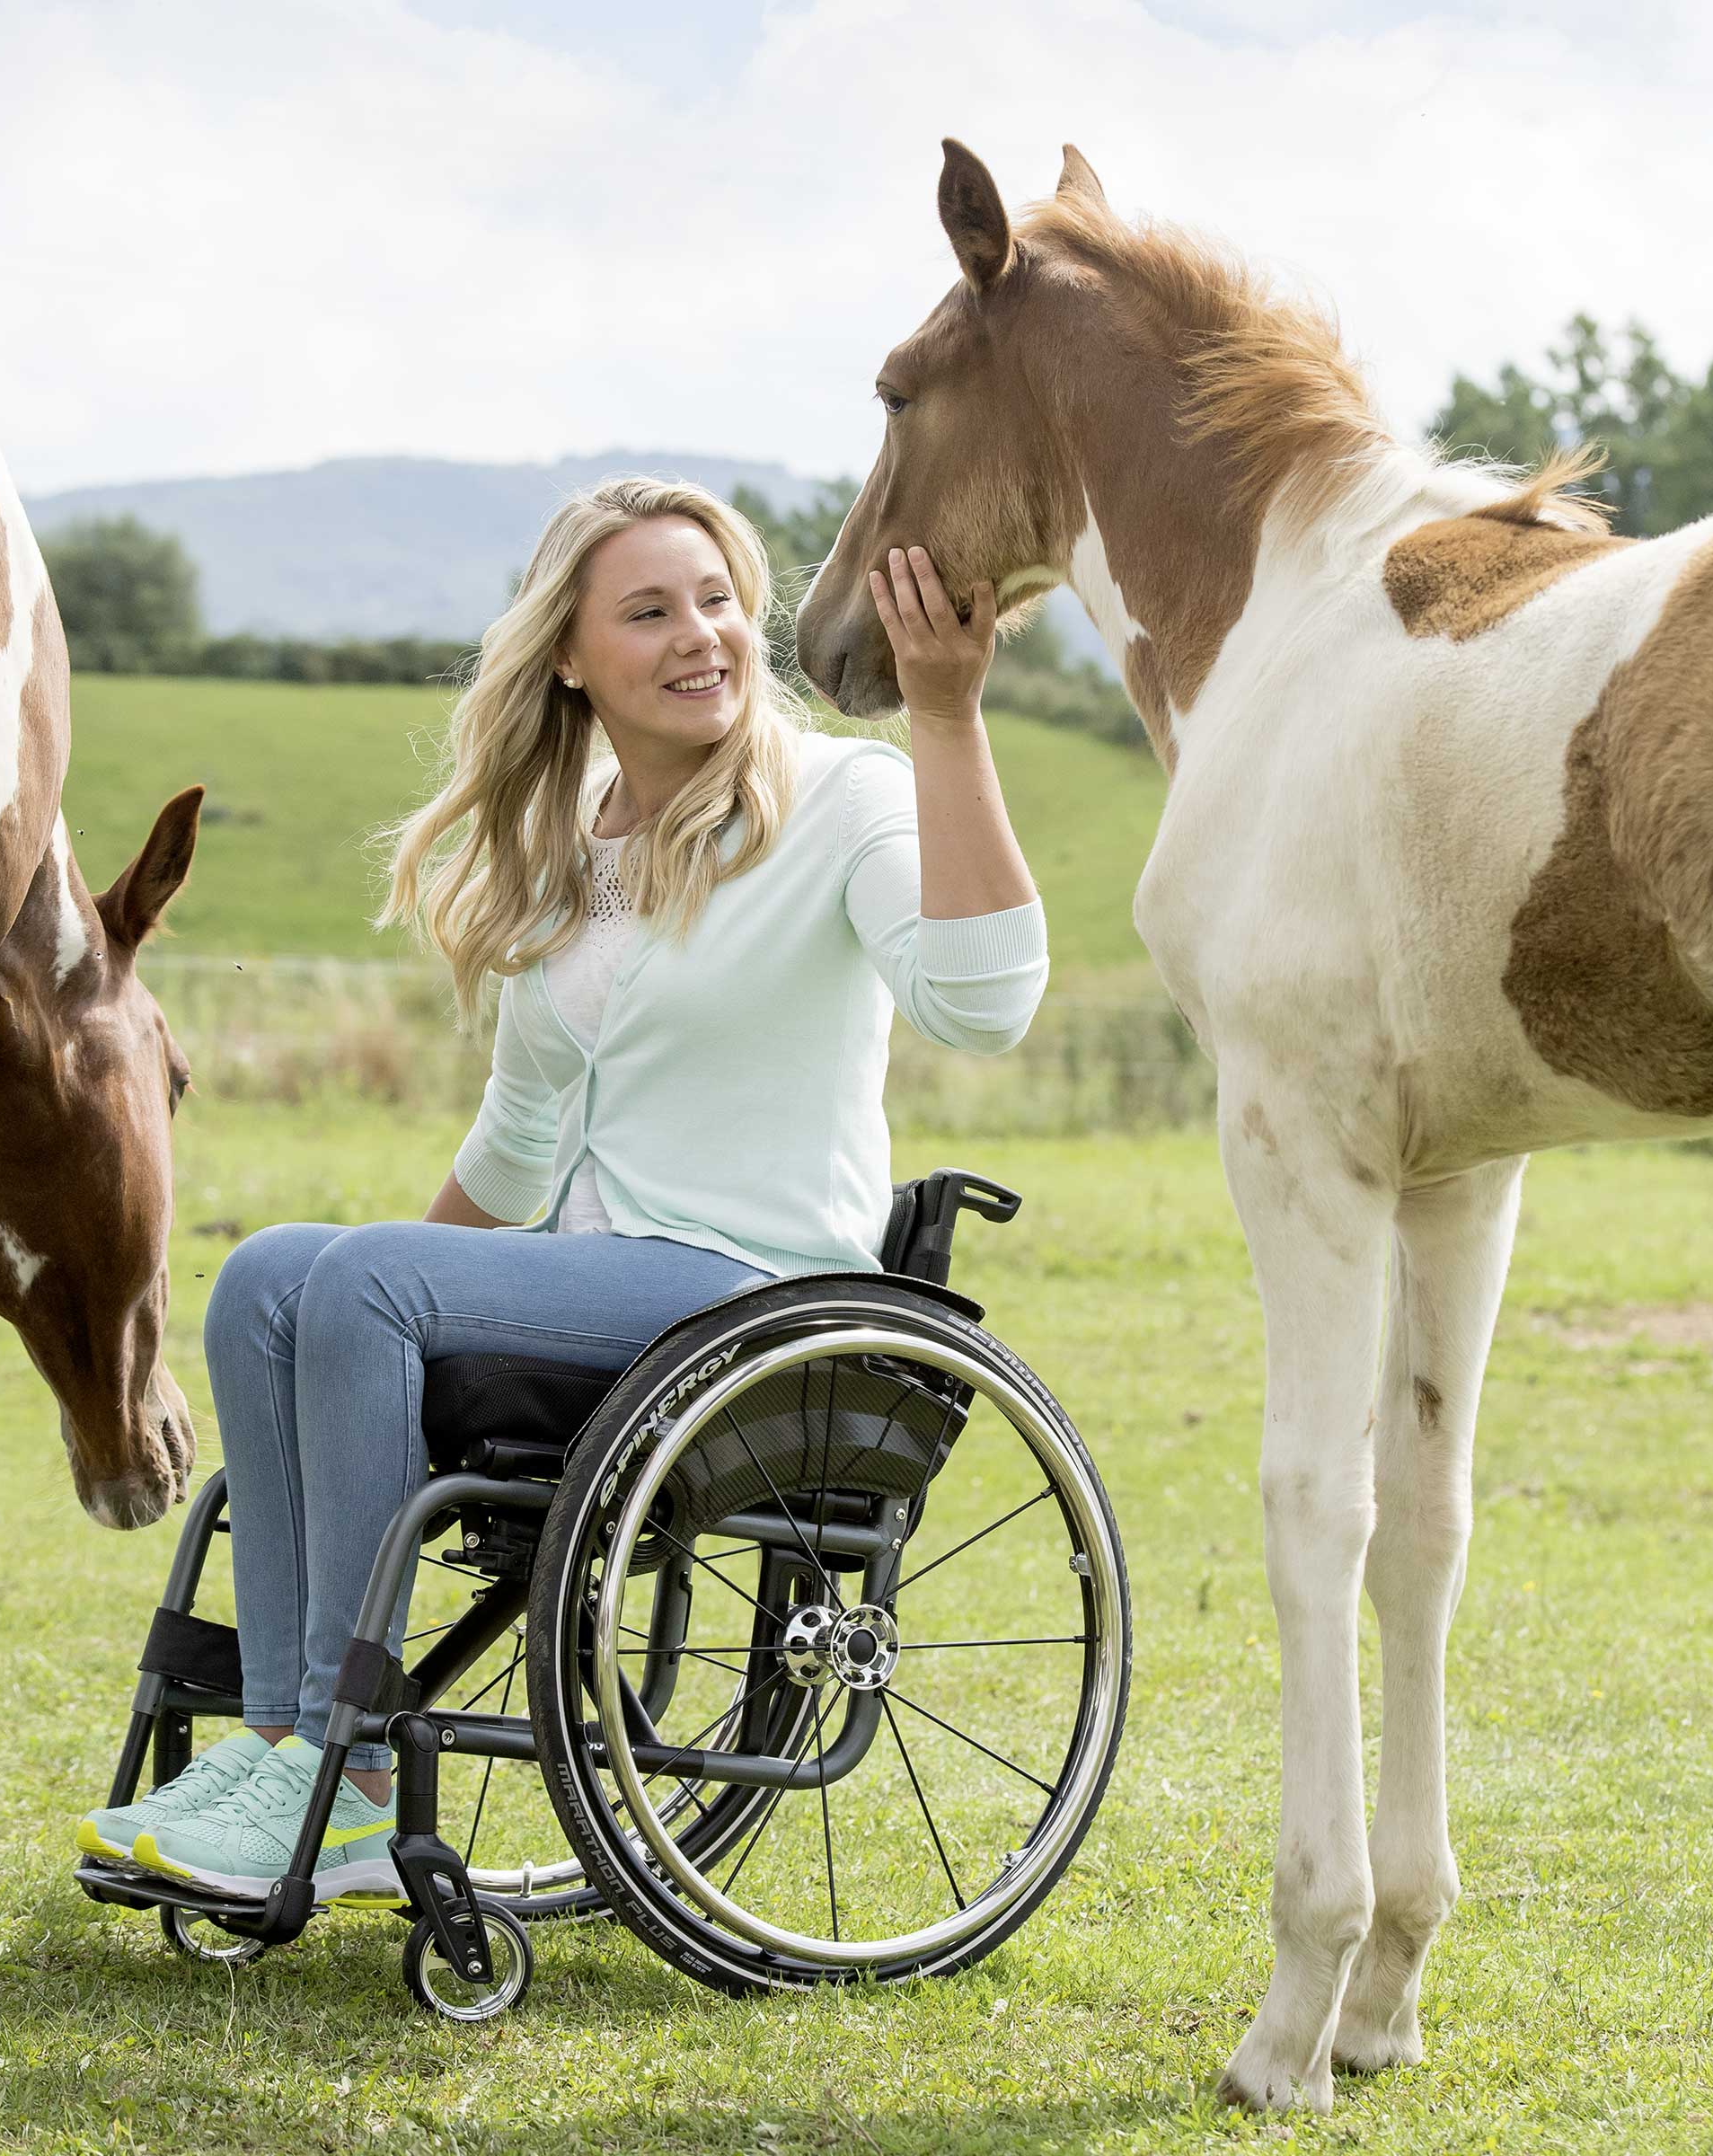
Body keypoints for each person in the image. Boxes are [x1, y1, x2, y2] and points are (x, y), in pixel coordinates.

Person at [75, 477, 1047, 1902]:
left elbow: (984, 1003)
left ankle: (337, 1781)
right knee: (271, 1274)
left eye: (718, 601)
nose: (701, 635)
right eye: (650, 611)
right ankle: (285, 1742)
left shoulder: (845, 800)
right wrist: (339, 1306)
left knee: (355, 1279)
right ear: (572, 659)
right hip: (601, 1286)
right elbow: (521, 1141)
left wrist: (947, 716)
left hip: (750, 1293)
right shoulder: (573, 853)